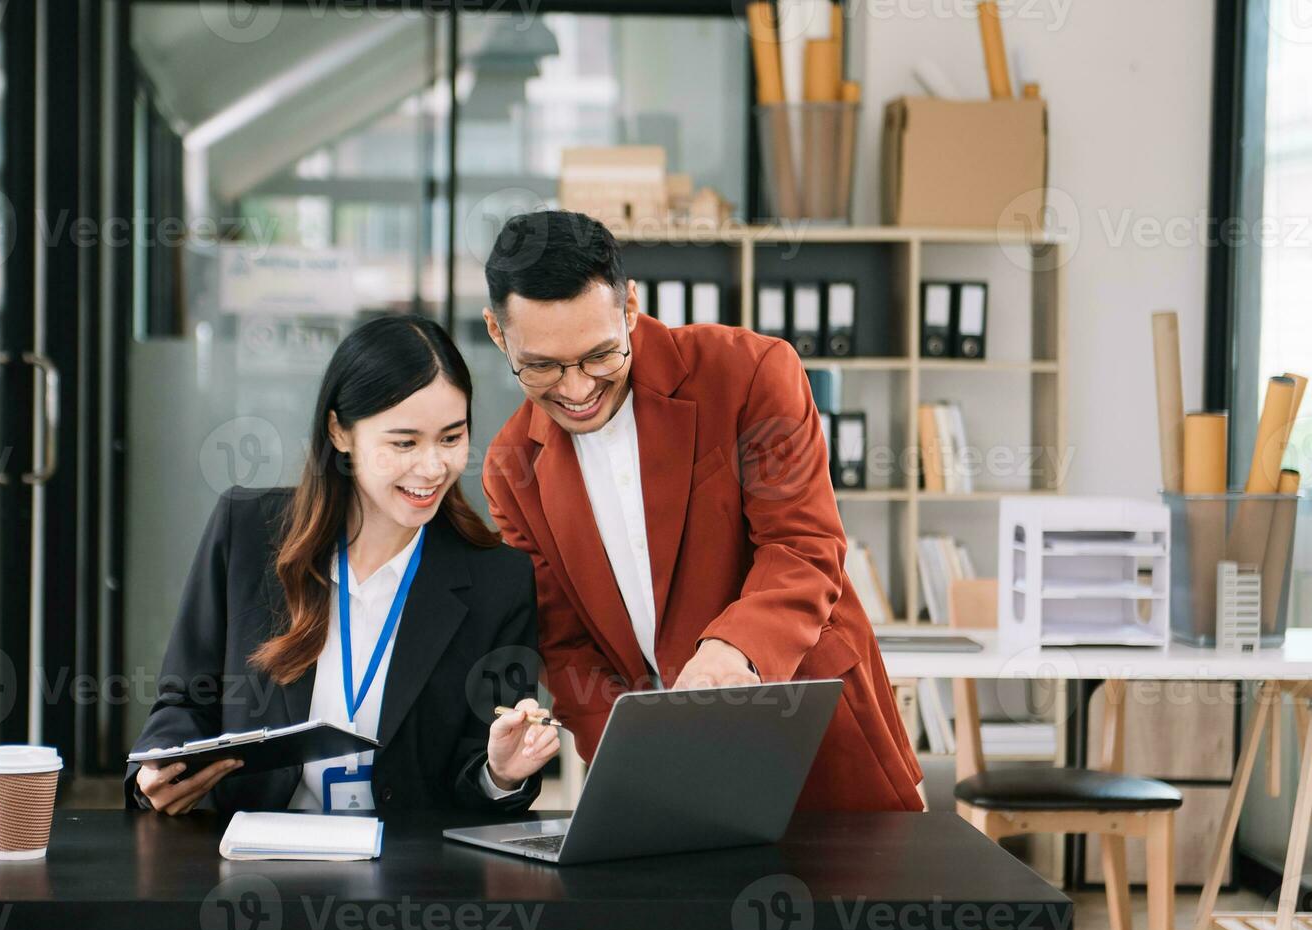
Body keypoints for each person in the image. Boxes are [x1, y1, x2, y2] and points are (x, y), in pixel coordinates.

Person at [480, 211, 923, 812]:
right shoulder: (512, 469)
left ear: (631, 307)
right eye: (542, 367)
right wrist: (639, 760)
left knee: (862, 906)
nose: (578, 389)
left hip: (811, 731)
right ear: (498, 335)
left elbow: (801, 546)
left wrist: (731, 651)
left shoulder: (750, 372)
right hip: (666, 775)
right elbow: (566, 644)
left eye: (600, 356)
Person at [126, 315, 559, 816]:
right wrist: (153, 774)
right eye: (404, 442)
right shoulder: (246, 531)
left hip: (408, 880)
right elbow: (183, 703)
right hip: (253, 866)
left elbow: (475, 776)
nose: (432, 466)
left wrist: (500, 772)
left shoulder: (496, 581)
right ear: (340, 432)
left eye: (451, 438)